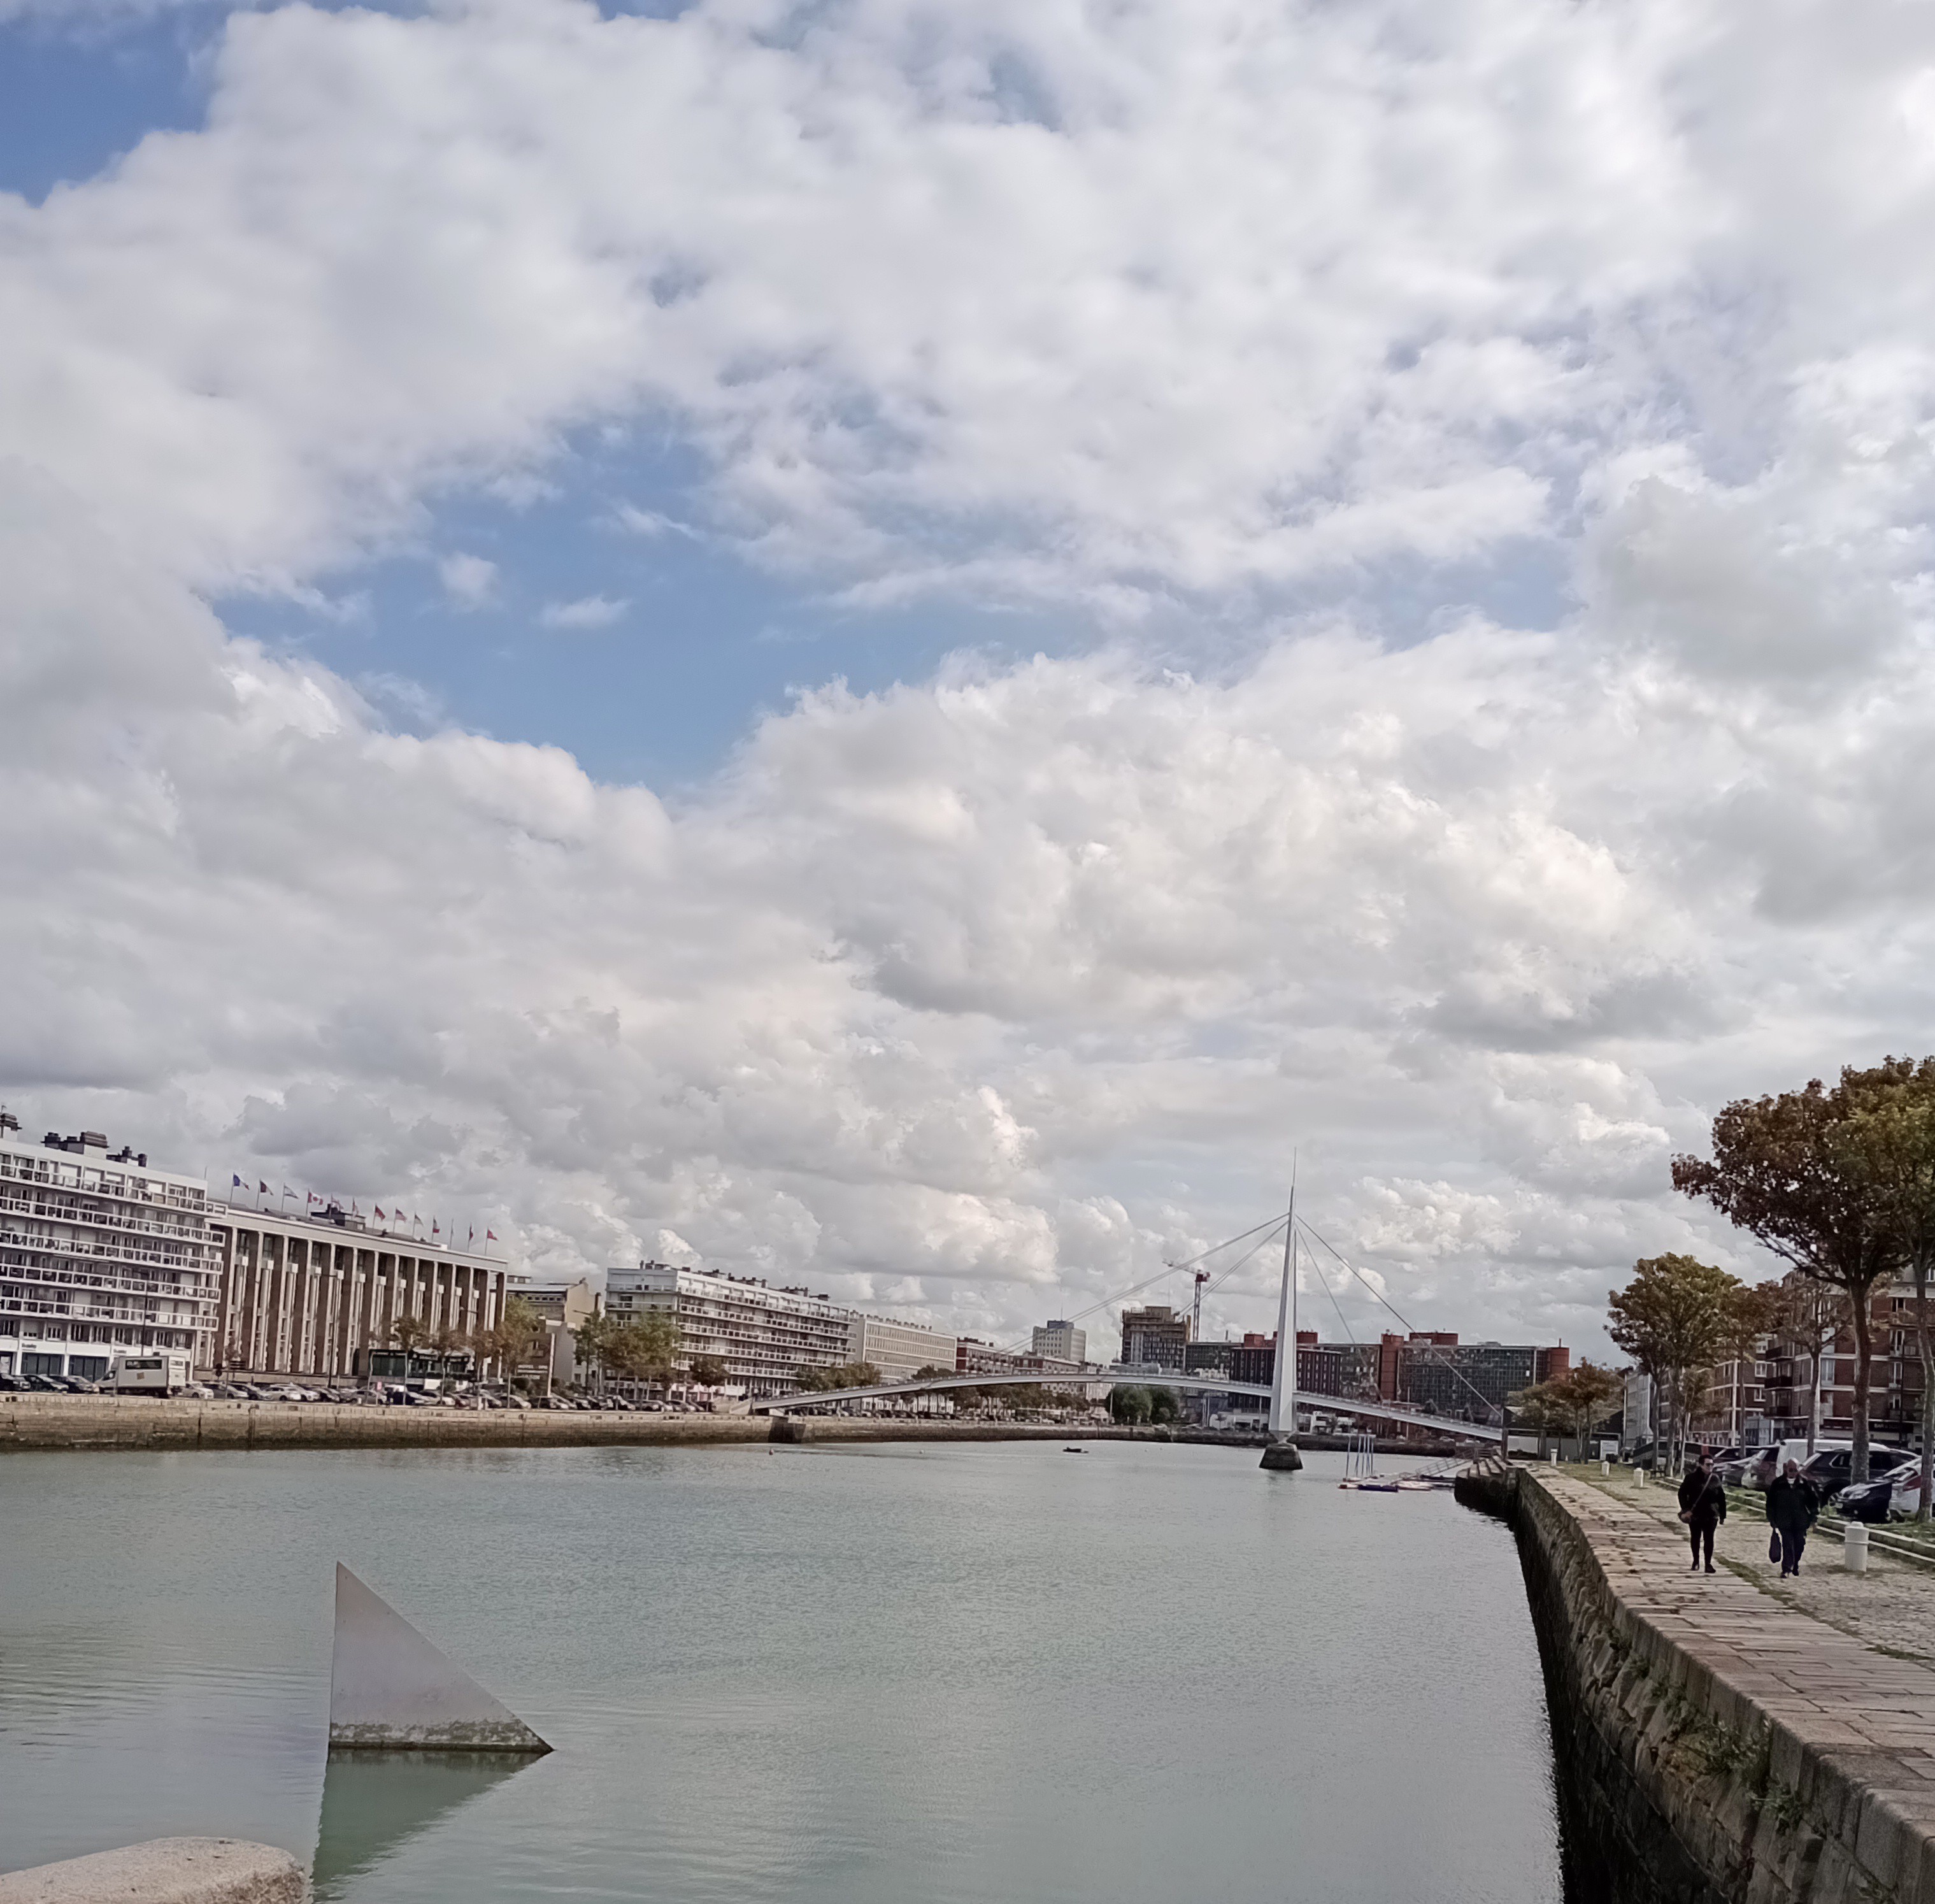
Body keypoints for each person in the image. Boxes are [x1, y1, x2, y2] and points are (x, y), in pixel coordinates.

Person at [1764, 1459, 1820, 1577]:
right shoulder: (1778, 1484)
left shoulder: (1804, 1483)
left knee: (1800, 1544)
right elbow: (1770, 1503)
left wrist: (1814, 1517)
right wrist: (1772, 1519)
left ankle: (1795, 1565)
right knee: (1788, 1544)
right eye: (1791, 1470)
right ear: (1786, 1469)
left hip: (1800, 1521)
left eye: (1795, 1470)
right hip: (1784, 1520)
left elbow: (1813, 1501)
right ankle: (1786, 1569)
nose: (1793, 1473)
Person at [1678, 1449, 1727, 1573]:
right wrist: (1685, 1509)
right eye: (1708, 1465)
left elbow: (1721, 1497)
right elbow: (1682, 1494)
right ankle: (1696, 1561)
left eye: (1712, 1465)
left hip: (1711, 1515)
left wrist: (1723, 1515)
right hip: (1695, 1515)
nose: (1710, 1467)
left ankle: (1708, 1564)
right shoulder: (1691, 1478)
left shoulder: (1715, 1479)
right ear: (1700, 1465)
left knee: (1709, 1540)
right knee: (1695, 1538)